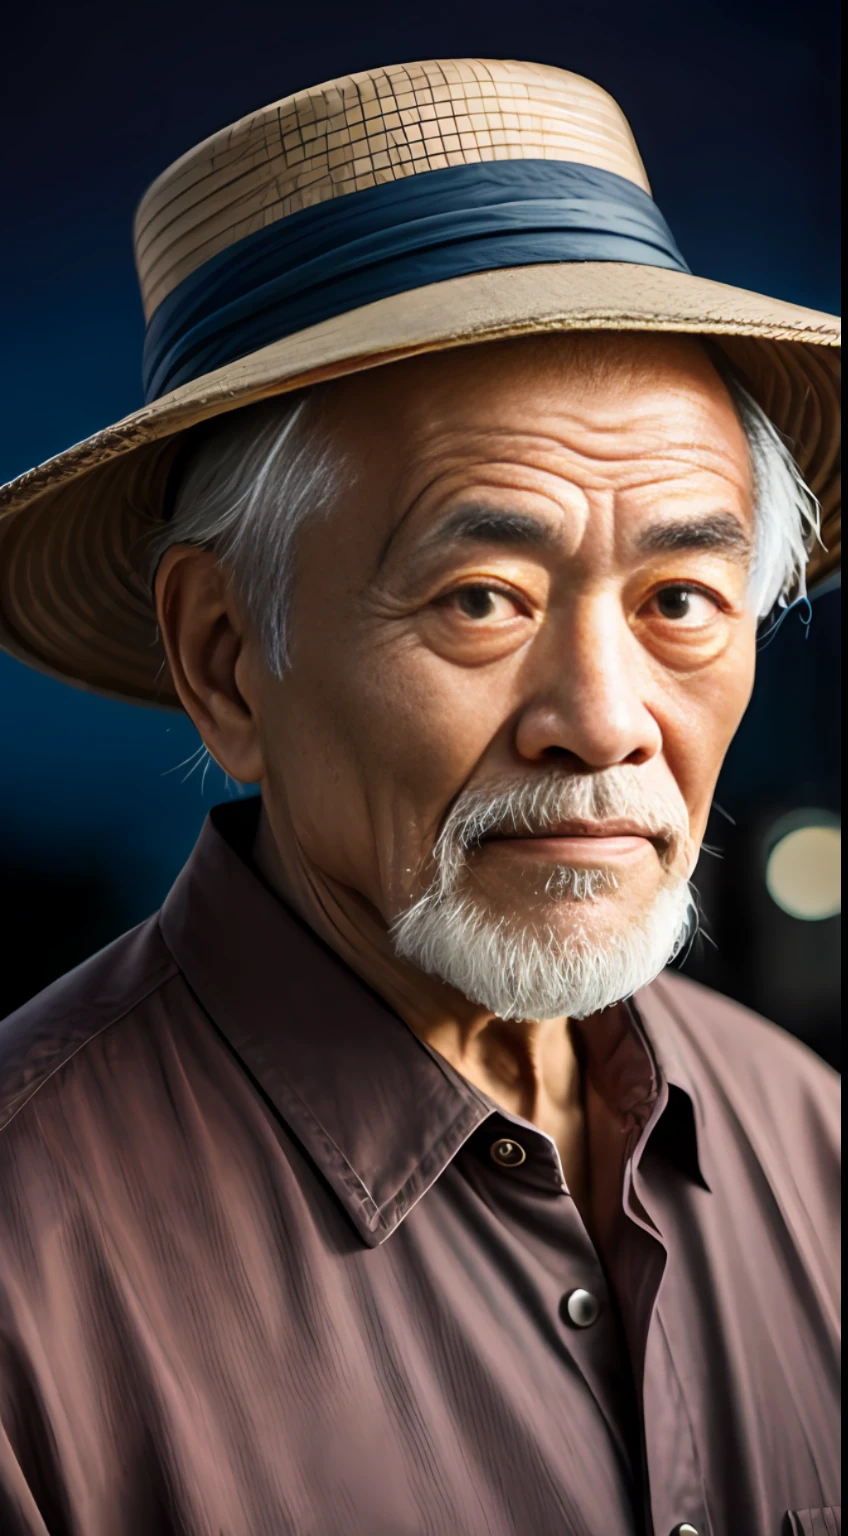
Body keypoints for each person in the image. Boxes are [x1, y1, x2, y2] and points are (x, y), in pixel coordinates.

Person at [0, 58, 840, 1536]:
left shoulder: (814, 1146)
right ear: (226, 660)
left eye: (685, 599)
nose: (602, 723)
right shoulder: (28, 1275)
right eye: (480, 598)